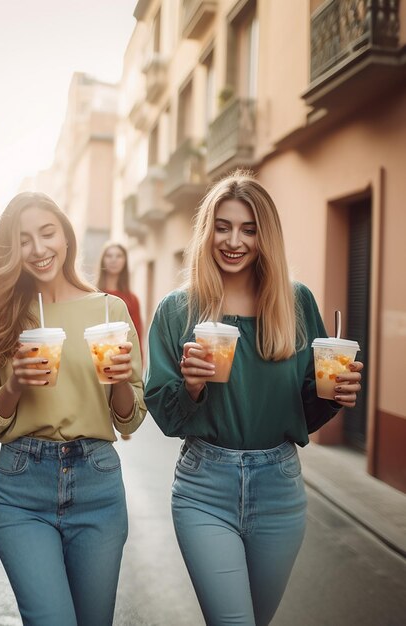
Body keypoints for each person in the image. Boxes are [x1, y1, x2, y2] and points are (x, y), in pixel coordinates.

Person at [144, 171, 363, 626]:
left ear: (266, 236)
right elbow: (163, 413)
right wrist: (191, 387)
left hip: (279, 486)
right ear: (207, 231)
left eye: (249, 228)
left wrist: (335, 396)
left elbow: (307, 405)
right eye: (222, 226)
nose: (234, 241)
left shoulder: (296, 303)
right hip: (205, 486)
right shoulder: (177, 310)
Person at [0, 191, 146, 626]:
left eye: (47, 233)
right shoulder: (2, 313)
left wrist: (120, 376)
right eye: (24, 239)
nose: (38, 248)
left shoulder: (110, 310)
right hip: (21, 486)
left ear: (66, 237)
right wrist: (14, 384)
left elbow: (131, 418)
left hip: (97, 483)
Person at [96, 241, 143, 347]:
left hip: (122, 356)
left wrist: (138, 362)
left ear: (125, 261)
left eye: (119, 256)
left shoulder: (132, 299)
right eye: (109, 256)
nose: (114, 260)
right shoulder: (92, 295)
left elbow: (136, 336)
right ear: (102, 260)